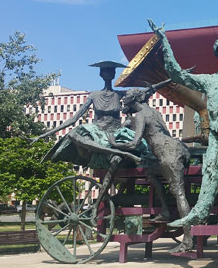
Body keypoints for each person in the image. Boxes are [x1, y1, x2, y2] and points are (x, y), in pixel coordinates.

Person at [149, 20, 218, 227]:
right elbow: (178, 75)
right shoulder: (208, 81)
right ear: (216, 55)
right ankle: (200, 212)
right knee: (210, 169)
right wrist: (164, 42)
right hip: (217, 134)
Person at [36, 62, 150, 192]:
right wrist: (44, 135)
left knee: (144, 146)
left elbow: (140, 94)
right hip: (98, 132)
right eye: (106, 71)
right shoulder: (94, 95)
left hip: (117, 132)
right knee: (76, 135)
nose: (109, 73)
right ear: (101, 74)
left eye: (112, 71)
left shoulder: (120, 94)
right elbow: (74, 118)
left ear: (114, 74)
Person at [106, 84, 193, 252]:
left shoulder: (140, 116)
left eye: (128, 97)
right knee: (149, 171)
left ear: (136, 99)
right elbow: (164, 134)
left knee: (180, 194)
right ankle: (166, 211)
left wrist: (115, 144)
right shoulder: (154, 112)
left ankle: (188, 240)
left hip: (168, 154)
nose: (125, 99)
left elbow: (134, 143)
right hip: (177, 148)